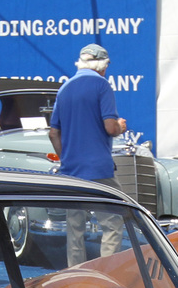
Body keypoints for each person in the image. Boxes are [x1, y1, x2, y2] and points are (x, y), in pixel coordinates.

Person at [48, 43, 127, 264]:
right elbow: (110, 128)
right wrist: (120, 126)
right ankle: (107, 274)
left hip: (72, 171)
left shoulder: (65, 88)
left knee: (75, 230)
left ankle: (75, 274)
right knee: (113, 221)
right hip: (99, 168)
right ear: (102, 65)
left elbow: (54, 133)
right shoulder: (102, 86)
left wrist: (67, 159)